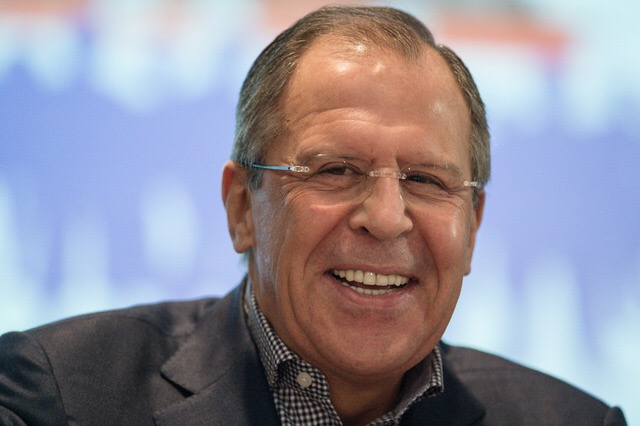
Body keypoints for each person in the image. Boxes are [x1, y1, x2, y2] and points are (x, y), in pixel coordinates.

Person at [0, 5, 627, 425]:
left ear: (473, 227)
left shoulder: (574, 421)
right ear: (242, 208)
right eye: (336, 170)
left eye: (426, 180)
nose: (387, 217)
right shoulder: (60, 397)